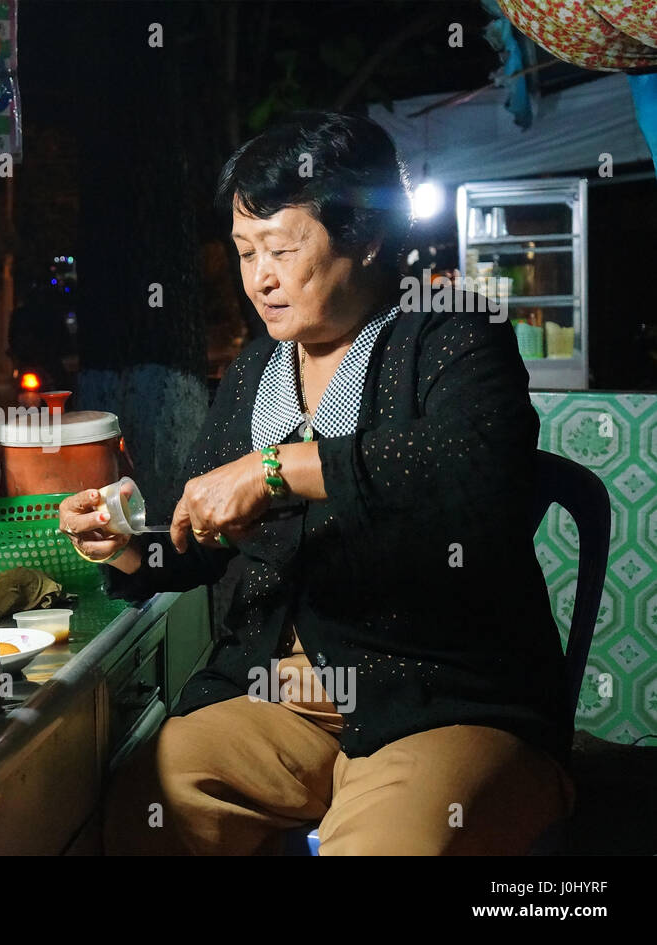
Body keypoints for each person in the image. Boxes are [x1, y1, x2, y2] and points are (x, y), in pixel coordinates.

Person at [58, 111, 574, 856]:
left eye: (282, 248)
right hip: (278, 702)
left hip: (441, 702)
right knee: (152, 801)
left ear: (364, 236)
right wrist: (126, 548)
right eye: (244, 252)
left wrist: (276, 471)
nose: (259, 277)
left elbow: (474, 472)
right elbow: (202, 542)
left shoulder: (453, 331)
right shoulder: (252, 377)